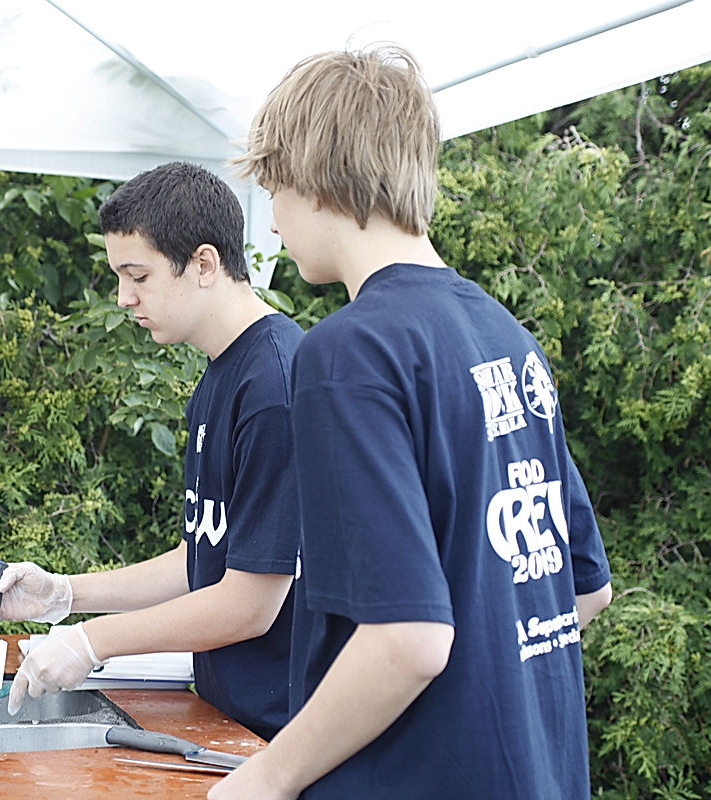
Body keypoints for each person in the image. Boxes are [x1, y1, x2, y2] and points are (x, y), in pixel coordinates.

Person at [209, 47, 614, 799]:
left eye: (273, 189)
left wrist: (267, 775)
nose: (274, 216)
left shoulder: (347, 352)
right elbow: (582, 590)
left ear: (312, 176)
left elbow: (409, 639)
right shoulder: (507, 338)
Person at [0, 160, 304, 741]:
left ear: (203, 263)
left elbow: (251, 603)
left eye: (137, 275)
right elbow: (202, 558)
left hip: (282, 739)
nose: (123, 298)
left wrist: (95, 642)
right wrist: (64, 595)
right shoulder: (221, 375)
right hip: (228, 723)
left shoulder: (274, 385)